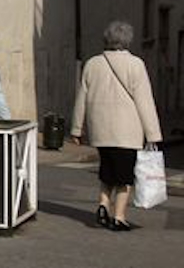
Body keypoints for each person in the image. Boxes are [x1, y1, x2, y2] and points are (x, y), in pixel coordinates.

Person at [71, 20, 162, 232]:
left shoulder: (92, 63)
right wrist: (153, 134)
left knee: (107, 171)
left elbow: (81, 98)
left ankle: (103, 205)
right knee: (124, 178)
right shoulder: (135, 64)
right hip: (127, 132)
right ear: (127, 40)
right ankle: (119, 217)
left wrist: (77, 128)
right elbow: (144, 101)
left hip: (101, 130)